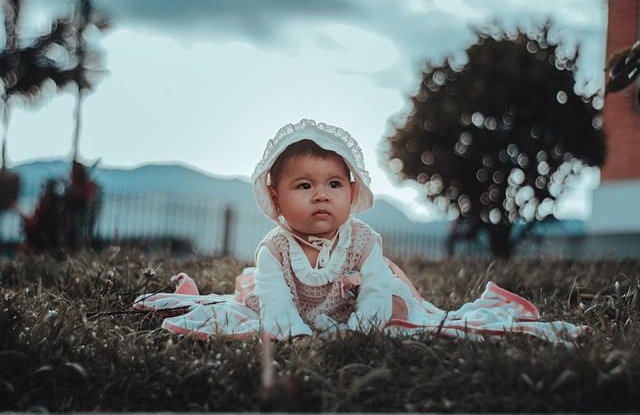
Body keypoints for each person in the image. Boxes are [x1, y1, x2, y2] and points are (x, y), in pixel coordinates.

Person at [134, 119, 588, 343]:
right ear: (275, 198)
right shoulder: (272, 250)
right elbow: (275, 303)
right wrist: (297, 335)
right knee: (251, 302)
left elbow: (372, 292)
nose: (321, 196)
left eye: (334, 184)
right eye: (304, 186)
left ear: (352, 192)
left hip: (350, 308)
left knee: (393, 301)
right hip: (299, 311)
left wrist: (358, 329)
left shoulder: (364, 242)